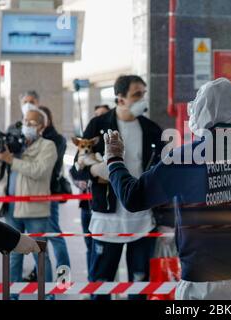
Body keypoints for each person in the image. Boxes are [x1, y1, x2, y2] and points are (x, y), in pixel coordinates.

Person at [104, 78, 231, 300]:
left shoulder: (184, 158)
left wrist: (114, 160)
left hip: (204, 287)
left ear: (201, 112)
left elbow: (133, 198)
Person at [70, 75, 165, 300]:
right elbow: (76, 168)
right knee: (101, 287)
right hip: (106, 222)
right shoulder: (99, 125)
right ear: (120, 98)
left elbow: (163, 172)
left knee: (140, 288)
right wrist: (94, 171)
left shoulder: (152, 130)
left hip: (143, 221)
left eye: (144, 93)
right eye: (136, 94)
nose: (143, 98)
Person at [0, 108, 57, 299]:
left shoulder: (48, 146)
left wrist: (11, 160)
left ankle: (49, 294)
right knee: (12, 253)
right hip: (11, 208)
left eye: (32, 122)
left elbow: (39, 171)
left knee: (39, 253)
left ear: (42, 127)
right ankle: (12, 294)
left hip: (35, 209)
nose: (27, 125)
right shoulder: (13, 143)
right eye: (25, 121)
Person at [23, 106, 70, 283]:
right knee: (42, 239)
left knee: (55, 237)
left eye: (33, 122)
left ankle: (63, 277)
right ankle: (42, 274)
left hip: (49, 194)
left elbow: (46, 169)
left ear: (45, 122)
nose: (29, 125)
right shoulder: (32, 139)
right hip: (37, 195)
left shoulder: (55, 140)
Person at [70, 104, 111, 279]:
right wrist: (82, 178)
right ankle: (91, 281)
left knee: (103, 248)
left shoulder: (109, 146)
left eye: (103, 115)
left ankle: (100, 283)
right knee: (89, 245)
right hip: (87, 204)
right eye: (96, 115)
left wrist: (92, 173)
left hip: (104, 205)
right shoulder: (83, 146)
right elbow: (74, 171)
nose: (98, 119)